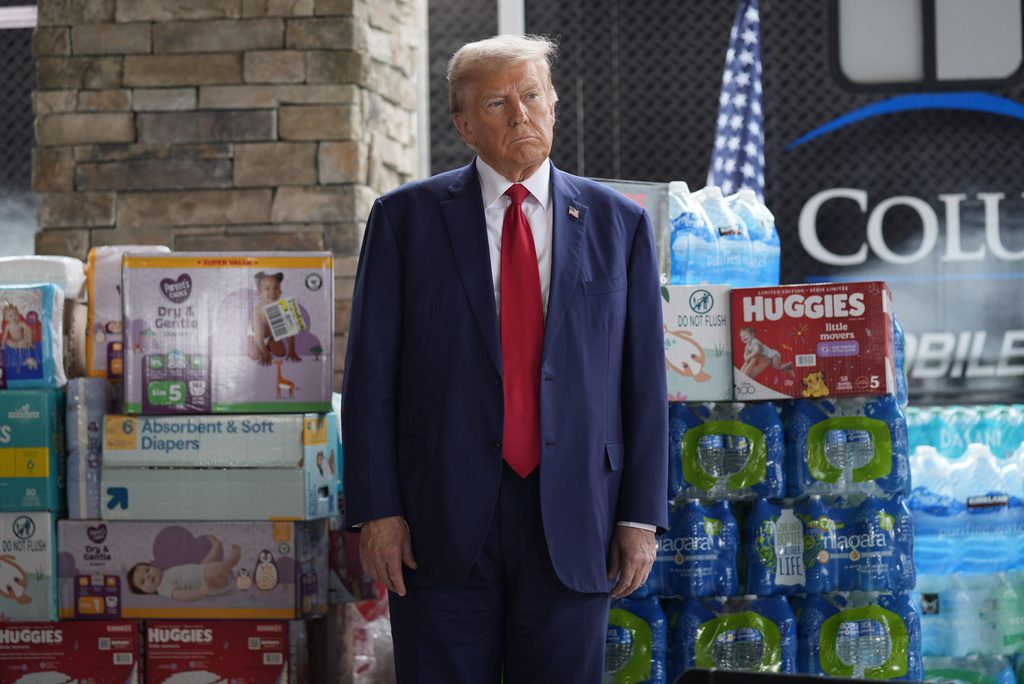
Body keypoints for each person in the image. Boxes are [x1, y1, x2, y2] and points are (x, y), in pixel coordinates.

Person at [342, 34, 668, 683]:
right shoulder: (405, 220)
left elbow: (644, 382)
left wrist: (640, 515)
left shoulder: (616, 223)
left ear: (552, 105)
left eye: (533, 95)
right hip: (438, 518)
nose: (521, 114)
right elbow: (370, 375)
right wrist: (377, 511)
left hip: (576, 517)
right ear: (463, 124)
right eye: (497, 102)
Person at [127, 535, 240, 601]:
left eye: (147, 570)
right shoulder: (163, 588)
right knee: (212, 568)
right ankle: (232, 562)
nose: (148, 576)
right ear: (146, 592)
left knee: (205, 563)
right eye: (142, 581)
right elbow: (181, 595)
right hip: (208, 583)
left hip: (201, 571)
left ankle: (216, 548)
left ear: (153, 567)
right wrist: (200, 592)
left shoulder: (165, 574)